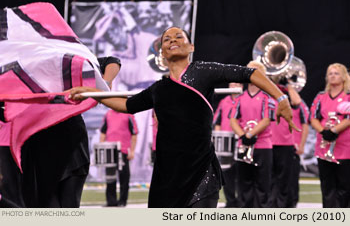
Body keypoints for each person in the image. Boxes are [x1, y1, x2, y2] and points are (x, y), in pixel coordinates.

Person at [70, 26, 298, 208]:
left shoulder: (203, 71)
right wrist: (93, 94)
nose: (171, 40)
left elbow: (251, 73)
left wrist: (281, 99)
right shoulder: (159, 89)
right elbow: (126, 105)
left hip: (200, 174)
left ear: (191, 47)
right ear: (162, 53)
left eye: (178, 36)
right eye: (166, 39)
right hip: (166, 177)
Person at [20, 56, 121, 208]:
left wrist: (103, 87)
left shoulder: (65, 59)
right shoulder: (22, 64)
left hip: (72, 147)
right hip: (40, 148)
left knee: (69, 207)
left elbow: (111, 61)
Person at [230, 61, 275, 208]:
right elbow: (233, 119)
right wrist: (243, 136)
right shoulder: (239, 98)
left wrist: (250, 134)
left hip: (262, 146)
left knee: (262, 185)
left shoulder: (267, 97)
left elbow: (267, 119)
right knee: (244, 185)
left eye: (254, 70)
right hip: (243, 146)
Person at [310, 63, 350, 208]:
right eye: (330, 73)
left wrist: (334, 131)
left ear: (344, 77)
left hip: (345, 149)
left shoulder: (348, 96)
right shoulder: (321, 97)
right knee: (327, 187)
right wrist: (323, 131)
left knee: (344, 188)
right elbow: (313, 117)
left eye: (337, 73)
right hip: (324, 147)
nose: (333, 76)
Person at [269, 81, 302, 208]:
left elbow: (297, 101)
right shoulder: (266, 92)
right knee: (269, 179)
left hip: (285, 142)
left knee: (284, 180)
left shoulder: (286, 94)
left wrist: (288, 84)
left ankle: (282, 209)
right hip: (268, 142)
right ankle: (270, 208)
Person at [213, 82, 242, 207]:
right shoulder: (224, 101)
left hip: (241, 140)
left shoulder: (244, 99)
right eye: (231, 84)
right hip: (226, 142)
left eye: (236, 83)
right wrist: (218, 141)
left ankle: (243, 201)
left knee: (242, 172)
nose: (233, 86)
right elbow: (217, 122)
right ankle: (231, 201)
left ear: (242, 85)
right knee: (226, 173)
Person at [100, 110, 138, 207]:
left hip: (123, 150)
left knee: (124, 176)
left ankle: (122, 201)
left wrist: (132, 151)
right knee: (110, 177)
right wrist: (102, 148)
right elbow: (103, 132)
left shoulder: (128, 115)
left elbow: (134, 134)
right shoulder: (108, 114)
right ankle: (111, 201)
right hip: (109, 149)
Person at [288, 97, 309, 208]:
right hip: (275, 145)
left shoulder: (299, 105)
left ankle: (292, 207)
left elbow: (305, 126)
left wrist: (302, 145)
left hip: (293, 147)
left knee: (292, 180)